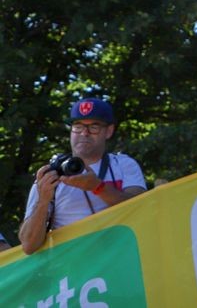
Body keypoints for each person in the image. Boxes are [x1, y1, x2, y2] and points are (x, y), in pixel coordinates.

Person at [19, 98, 146, 254]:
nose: (84, 133)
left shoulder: (123, 164)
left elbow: (141, 208)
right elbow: (28, 245)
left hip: (122, 260)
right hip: (75, 273)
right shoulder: (51, 175)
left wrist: (97, 187)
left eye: (93, 127)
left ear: (109, 131)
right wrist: (43, 201)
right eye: (78, 126)